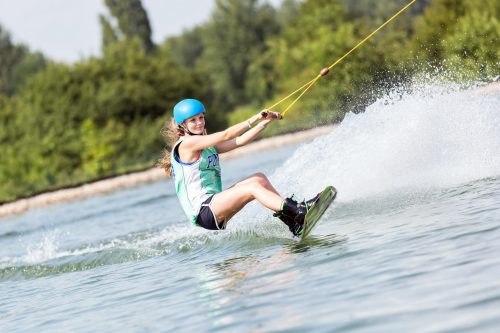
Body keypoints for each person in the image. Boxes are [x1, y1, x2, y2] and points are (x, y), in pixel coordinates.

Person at [159, 98, 319, 236]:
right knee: (252, 189)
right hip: (204, 211)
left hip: (214, 205)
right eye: (193, 120)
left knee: (258, 178)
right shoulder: (187, 144)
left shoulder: (205, 145)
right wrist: (254, 118)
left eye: (201, 118)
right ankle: (298, 211)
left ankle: (293, 222)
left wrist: (265, 122)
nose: (199, 123)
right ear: (182, 125)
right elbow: (226, 135)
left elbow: (239, 141)